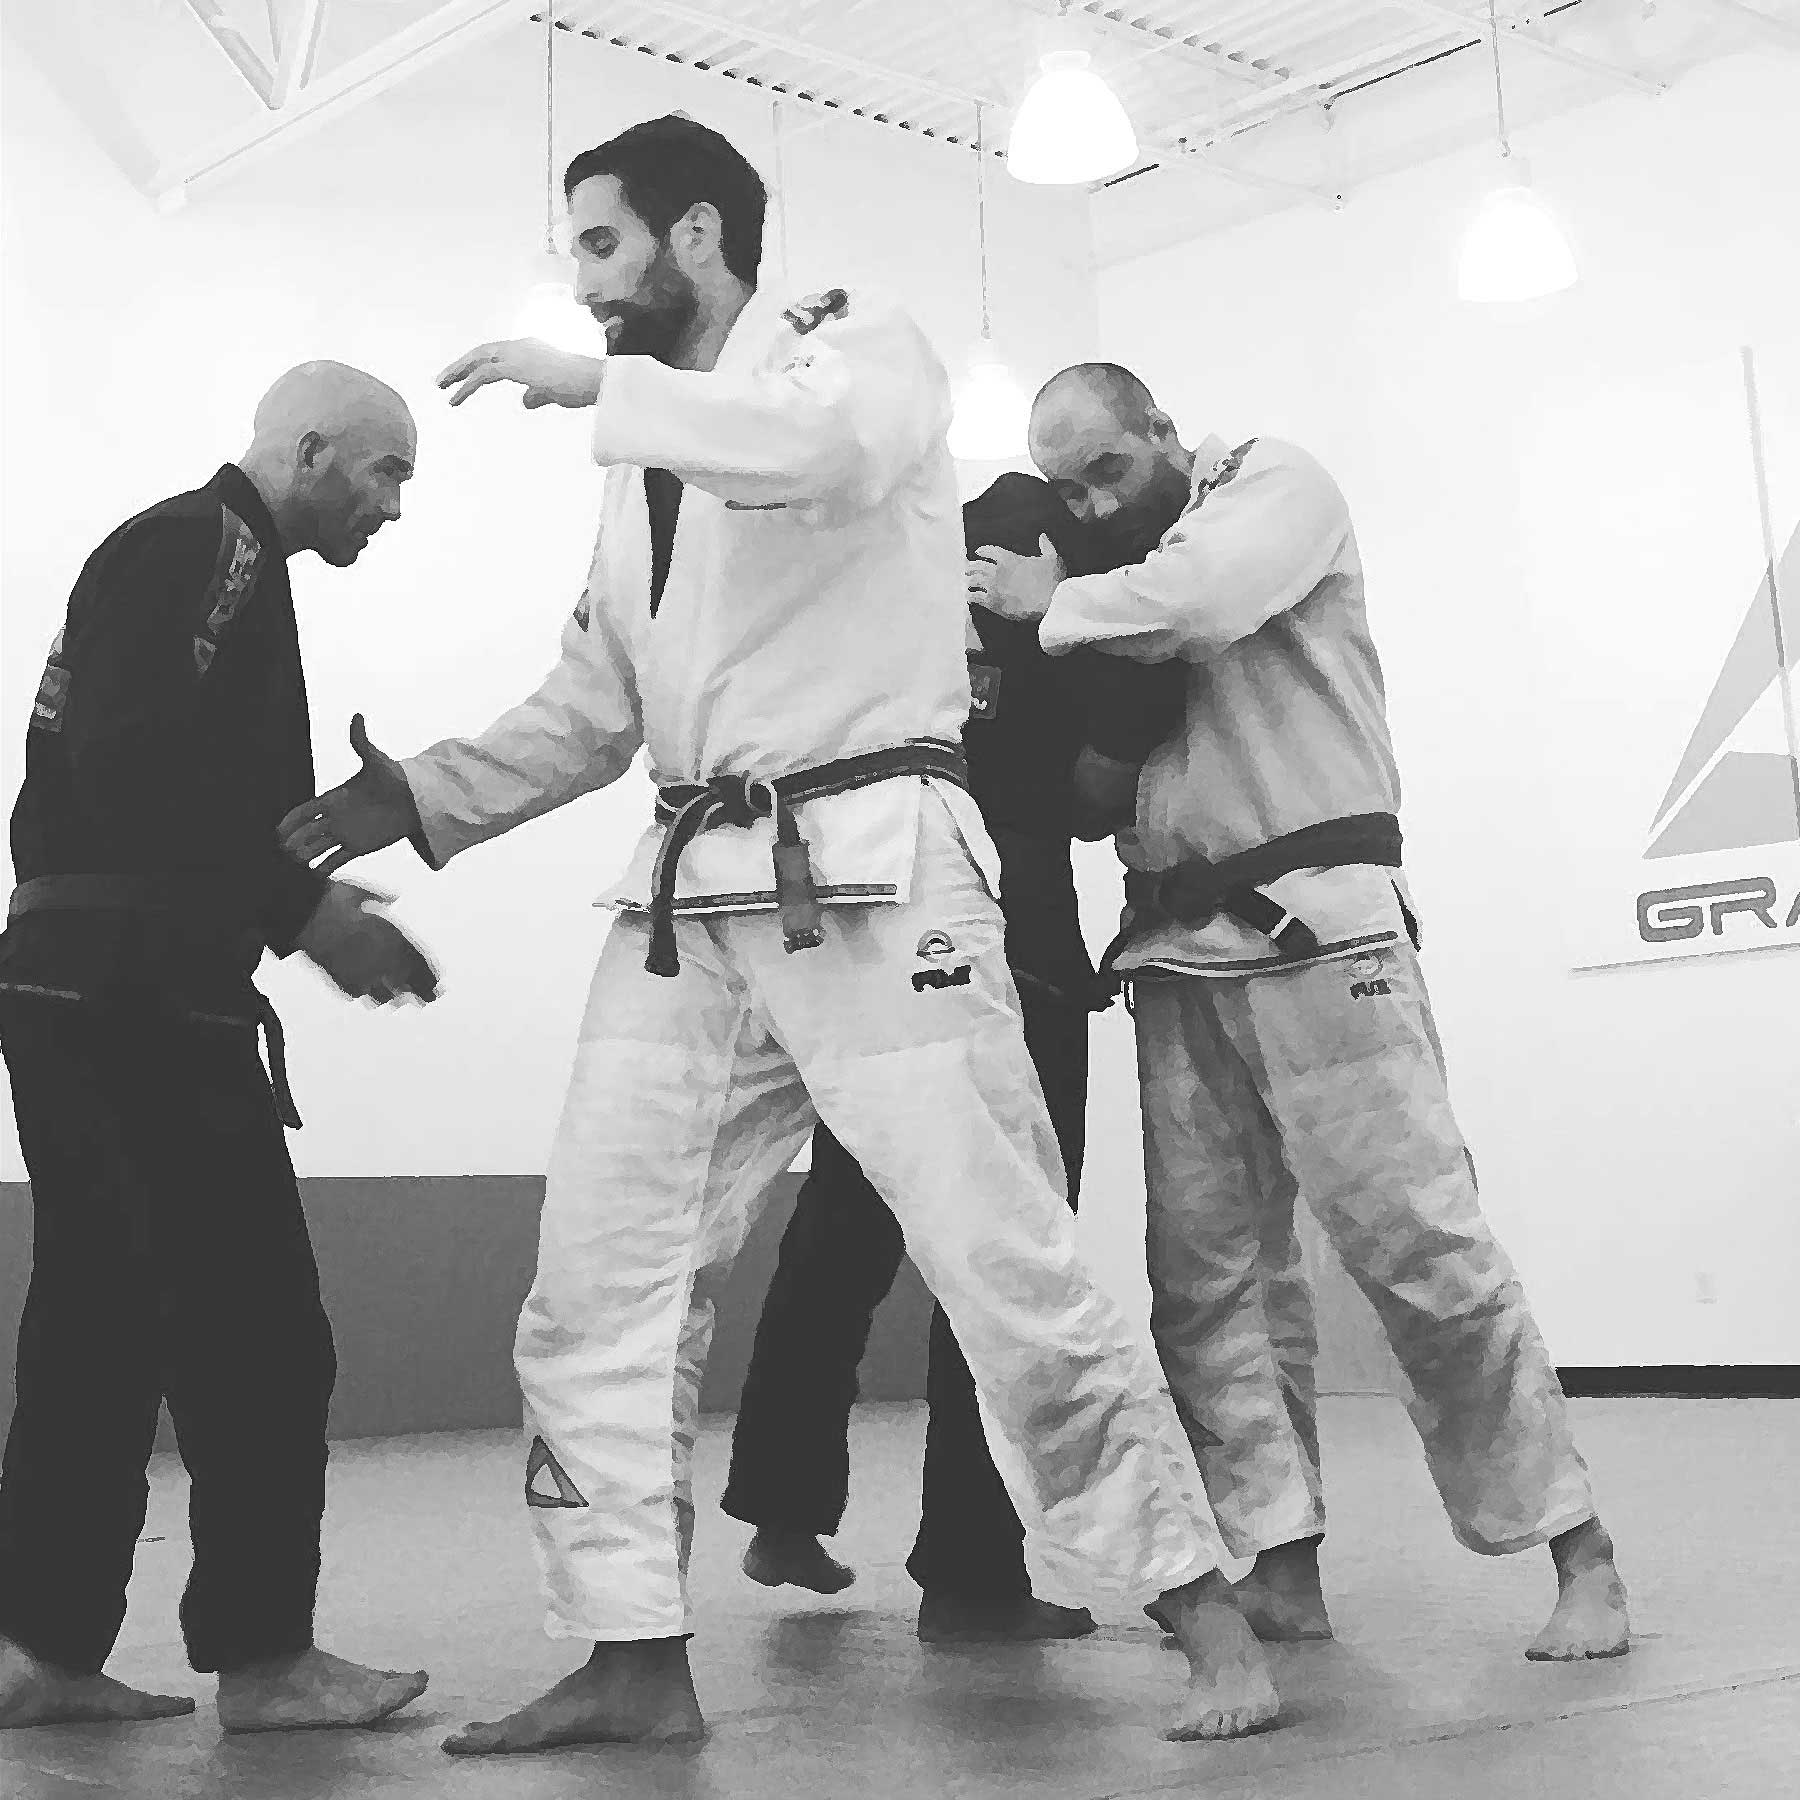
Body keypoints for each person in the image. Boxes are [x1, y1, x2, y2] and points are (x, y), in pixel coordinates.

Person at [278, 117, 1280, 1753]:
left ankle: (1202, 1608)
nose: (585, 281)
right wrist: (426, 798)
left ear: (691, 238)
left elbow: (829, 456)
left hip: (878, 864)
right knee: (594, 1286)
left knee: (998, 1256)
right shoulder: (636, 470)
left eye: (600, 244)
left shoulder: (844, 344)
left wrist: (607, 389)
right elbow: (595, 706)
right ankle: (630, 1653)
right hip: (690, 897)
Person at [968, 361, 1632, 1663]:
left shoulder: (1270, 487)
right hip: (1172, 947)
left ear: (1165, 428)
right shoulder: (1115, 613)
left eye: (1107, 465)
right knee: (1204, 1291)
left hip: (1320, 929)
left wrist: (1048, 602)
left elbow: (1204, 604)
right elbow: (1101, 782)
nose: (1091, 497)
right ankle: (1277, 1562)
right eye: (1066, 485)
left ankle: (1580, 1550)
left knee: (1421, 1251)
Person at [0, 364, 440, 1734]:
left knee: (101, 1325)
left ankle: (41, 1654)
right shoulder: (203, 545)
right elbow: (129, 766)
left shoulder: (218, 560)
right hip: (132, 1000)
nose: (393, 505)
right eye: (383, 472)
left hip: (92, 988)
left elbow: (144, 772)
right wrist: (300, 907)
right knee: (258, 1332)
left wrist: (298, 840)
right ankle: (264, 1661)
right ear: (308, 450)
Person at [720, 472, 1186, 1644]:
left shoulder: (896, 577)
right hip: (1007, 937)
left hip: (873, 927)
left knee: (841, 1224)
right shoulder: (1067, 578)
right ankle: (972, 1571)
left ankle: (781, 1506)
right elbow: (1092, 793)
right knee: (1002, 1254)